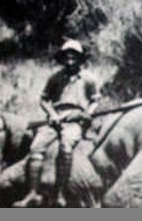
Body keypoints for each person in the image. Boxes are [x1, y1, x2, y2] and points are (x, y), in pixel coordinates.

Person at [14, 40, 100, 207]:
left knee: (66, 146)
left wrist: (87, 114)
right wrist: (52, 114)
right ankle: (32, 193)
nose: (70, 61)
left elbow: (95, 100)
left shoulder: (89, 79)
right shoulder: (55, 78)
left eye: (73, 58)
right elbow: (44, 99)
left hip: (75, 119)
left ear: (80, 59)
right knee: (36, 148)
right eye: (67, 58)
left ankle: (60, 193)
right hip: (56, 118)